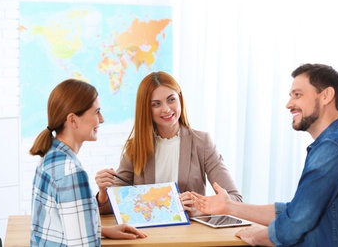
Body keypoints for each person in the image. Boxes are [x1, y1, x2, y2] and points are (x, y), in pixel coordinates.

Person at [191, 63, 338, 246]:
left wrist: (257, 237)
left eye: (297, 95)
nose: (289, 104)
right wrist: (229, 207)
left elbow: (294, 224)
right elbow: (295, 211)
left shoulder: (333, 147)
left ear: (326, 96)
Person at [95, 71, 242, 217]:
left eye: (171, 100)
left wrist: (199, 208)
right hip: (148, 236)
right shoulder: (136, 147)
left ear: (180, 100)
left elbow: (235, 200)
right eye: (156, 104)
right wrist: (103, 192)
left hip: (191, 235)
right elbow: (111, 206)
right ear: (146, 109)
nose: (166, 109)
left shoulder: (202, 143)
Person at [29, 79, 146, 246]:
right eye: (97, 112)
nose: (102, 119)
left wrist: (101, 230)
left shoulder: (50, 156)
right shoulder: (72, 172)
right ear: (73, 120)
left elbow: (59, 225)